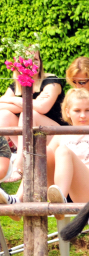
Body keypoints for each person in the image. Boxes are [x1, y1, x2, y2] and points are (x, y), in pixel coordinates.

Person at [0, 89, 89, 216]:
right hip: (56, 189)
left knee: (63, 151)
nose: (83, 115)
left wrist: (81, 169)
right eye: (77, 111)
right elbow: (42, 161)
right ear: (67, 112)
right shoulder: (61, 136)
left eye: (87, 110)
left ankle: (60, 201)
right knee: (43, 151)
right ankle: (18, 199)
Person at [0, 49, 65, 181]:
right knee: (4, 115)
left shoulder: (51, 81)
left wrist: (14, 100)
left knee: (27, 114)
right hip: (28, 134)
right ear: (19, 65)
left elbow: (43, 107)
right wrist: (30, 102)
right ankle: (3, 163)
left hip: (55, 133)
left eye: (36, 60)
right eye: (27, 62)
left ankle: (20, 163)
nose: (33, 64)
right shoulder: (16, 85)